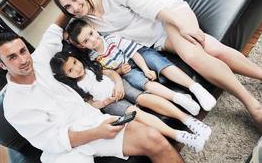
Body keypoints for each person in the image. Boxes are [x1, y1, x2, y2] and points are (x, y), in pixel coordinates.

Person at [52, 0, 262, 130]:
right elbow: (58, 32)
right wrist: (69, 10)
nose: (75, 7)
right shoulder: (85, 24)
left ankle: (253, 106)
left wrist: (182, 26)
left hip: (169, 16)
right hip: (158, 40)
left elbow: (151, 7)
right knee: (212, 48)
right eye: (68, 6)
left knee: (192, 55)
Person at [0, 16, 185, 163]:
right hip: (65, 153)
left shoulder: (39, 59)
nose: (23, 60)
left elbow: (55, 27)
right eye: (12, 57)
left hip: (93, 121)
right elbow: (51, 141)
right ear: (2, 65)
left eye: (23, 51)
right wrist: (97, 133)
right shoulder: (14, 106)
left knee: (153, 138)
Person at [50, 49, 212, 152]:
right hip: (112, 104)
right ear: (66, 76)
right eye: (71, 70)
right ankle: (180, 136)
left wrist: (119, 85)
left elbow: (112, 74)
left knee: (144, 98)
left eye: (75, 63)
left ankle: (189, 121)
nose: (77, 68)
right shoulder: (77, 87)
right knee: (136, 113)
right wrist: (105, 102)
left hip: (121, 86)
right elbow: (92, 103)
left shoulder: (91, 67)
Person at [66, 18, 216, 115]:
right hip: (126, 72)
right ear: (81, 46)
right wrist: (119, 71)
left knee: (155, 61)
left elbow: (134, 54)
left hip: (137, 56)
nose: (93, 40)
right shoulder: (93, 58)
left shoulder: (111, 39)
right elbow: (110, 73)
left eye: (91, 33)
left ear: (93, 28)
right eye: (86, 41)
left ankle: (196, 88)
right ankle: (179, 98)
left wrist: (145, 69)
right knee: (142, 83)